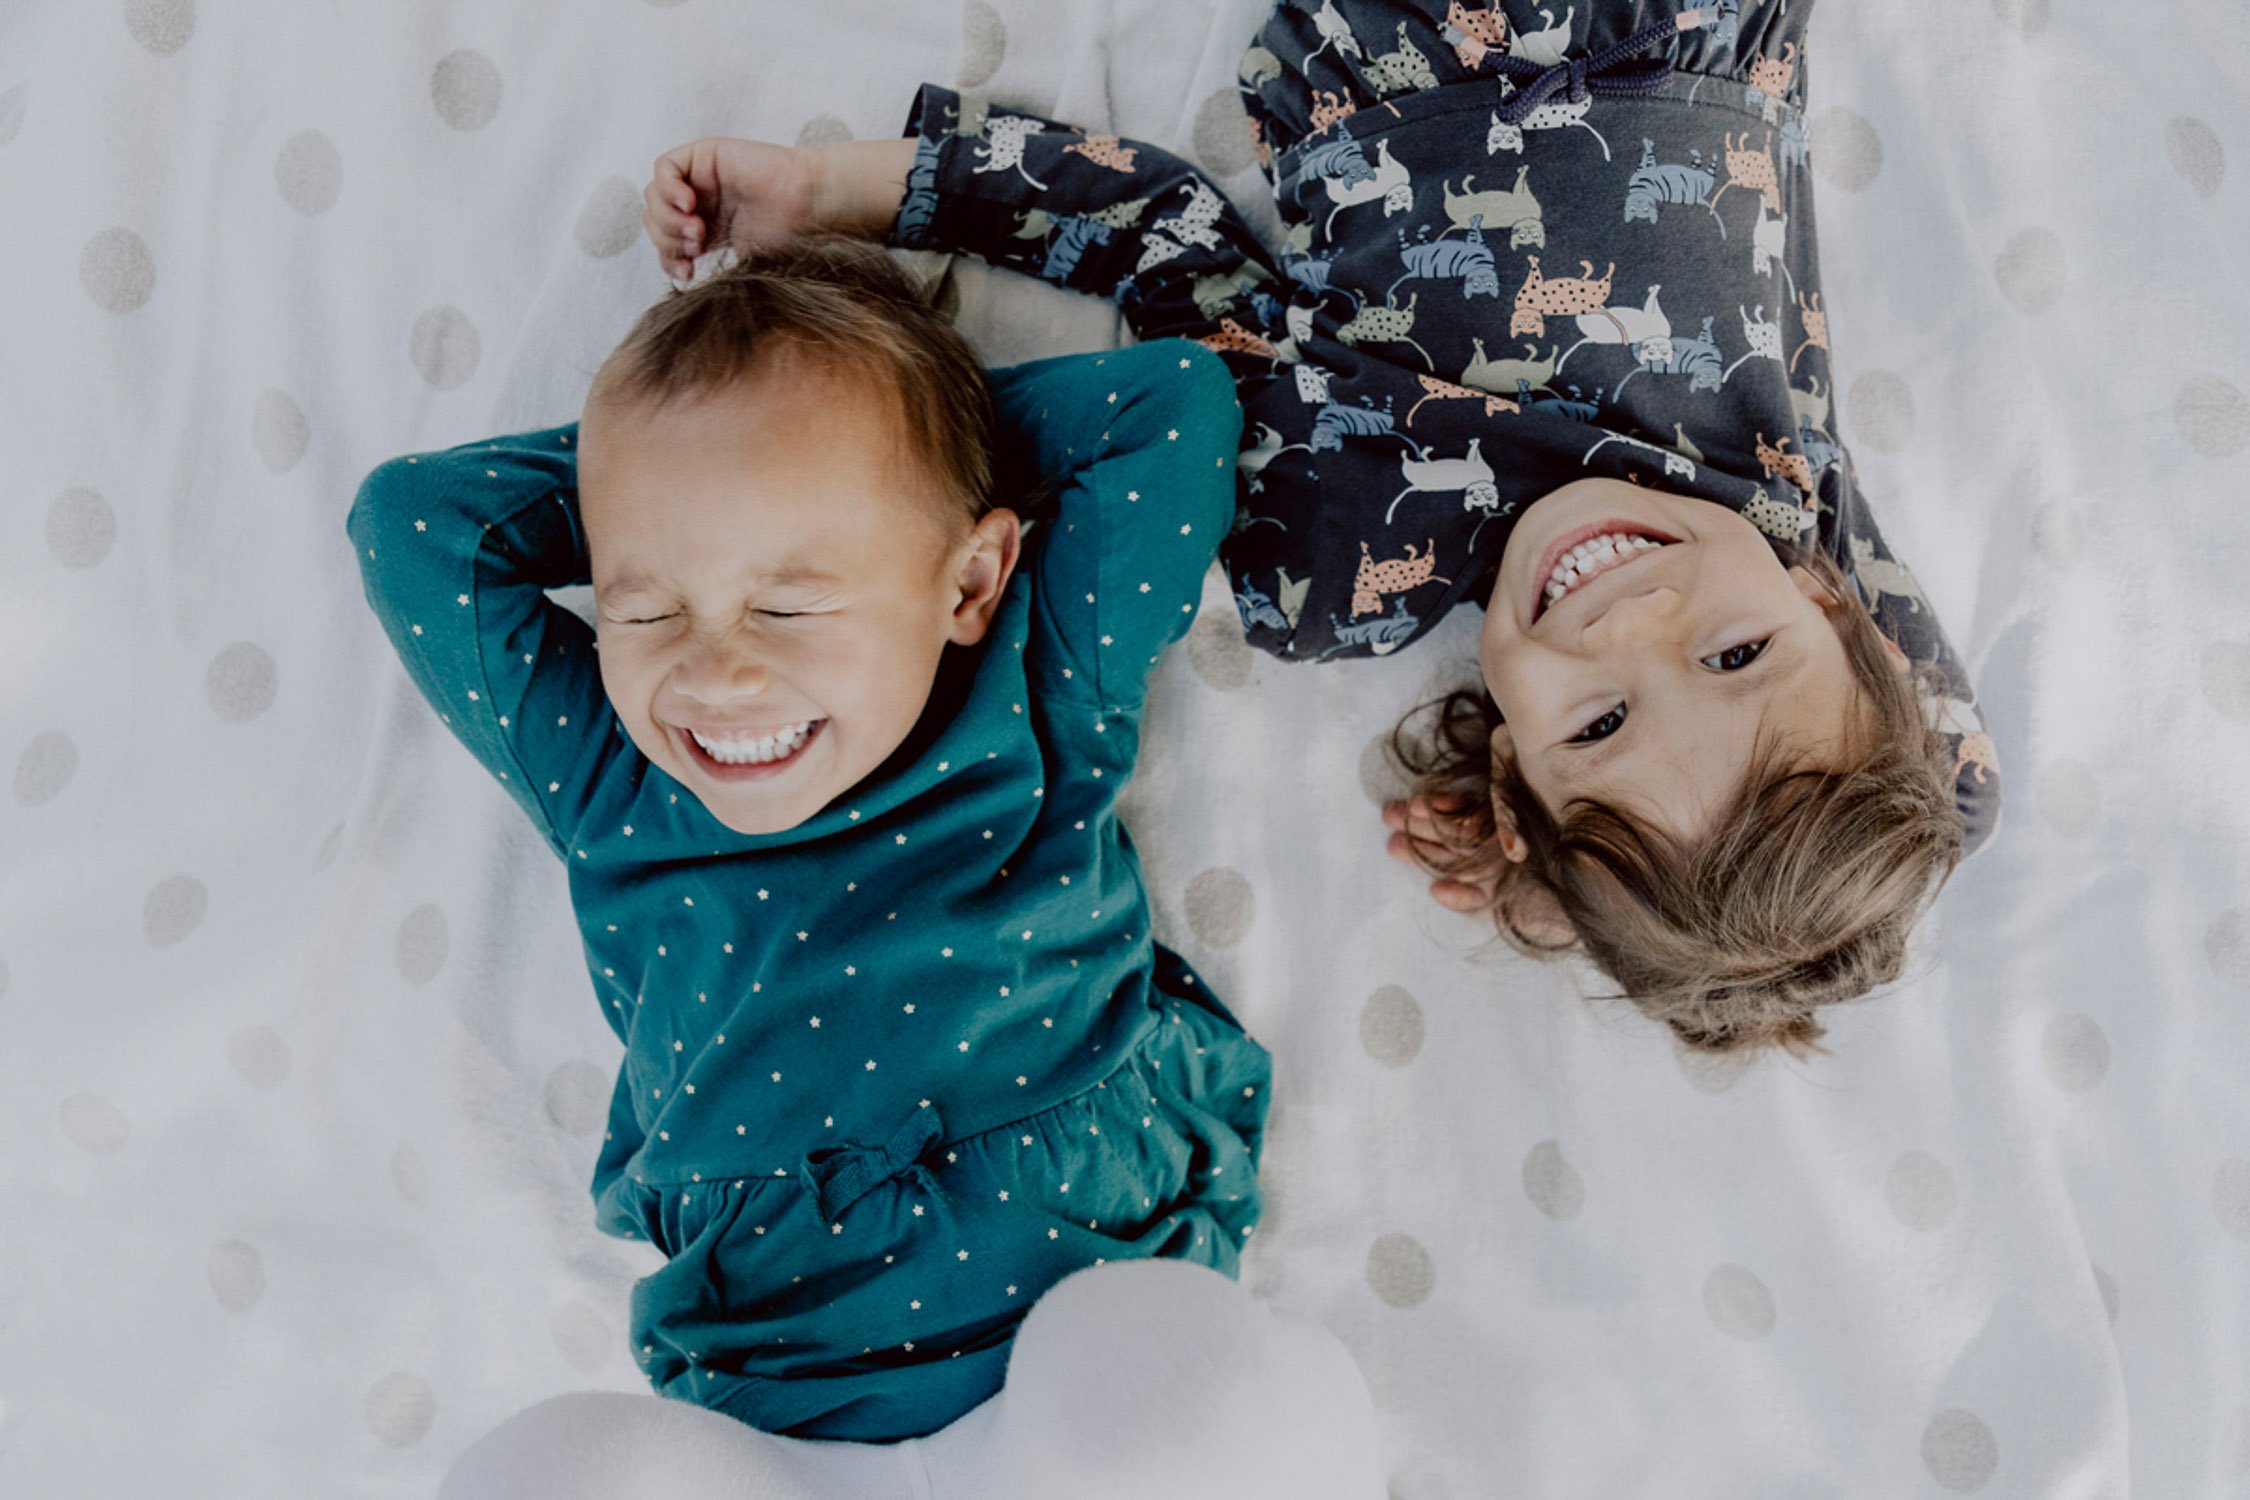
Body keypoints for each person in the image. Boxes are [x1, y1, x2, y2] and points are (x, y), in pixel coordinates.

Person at [639, 0, 1998, 1054]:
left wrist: (841, 193)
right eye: (1735, 656)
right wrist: (1552, 872)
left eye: (1599, 725)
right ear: (1826, 607)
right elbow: (1952, 797)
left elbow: (1159, 234)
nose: (1635, 621)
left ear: (1512, 777)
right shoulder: (1777, 498)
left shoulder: (1334, 552)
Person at [347, 237, 1336, 1446]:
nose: (718, 673)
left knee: (1199, 1414)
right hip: (778, 1370)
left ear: (970, 583)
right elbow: (412, 526)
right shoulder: (611, 777)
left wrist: (906, 446)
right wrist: (655, 469)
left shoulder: (1035, 685)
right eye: (644, 608)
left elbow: (1171, 405)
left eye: (787, 603)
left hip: (1091, 1280)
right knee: (557, 1465)